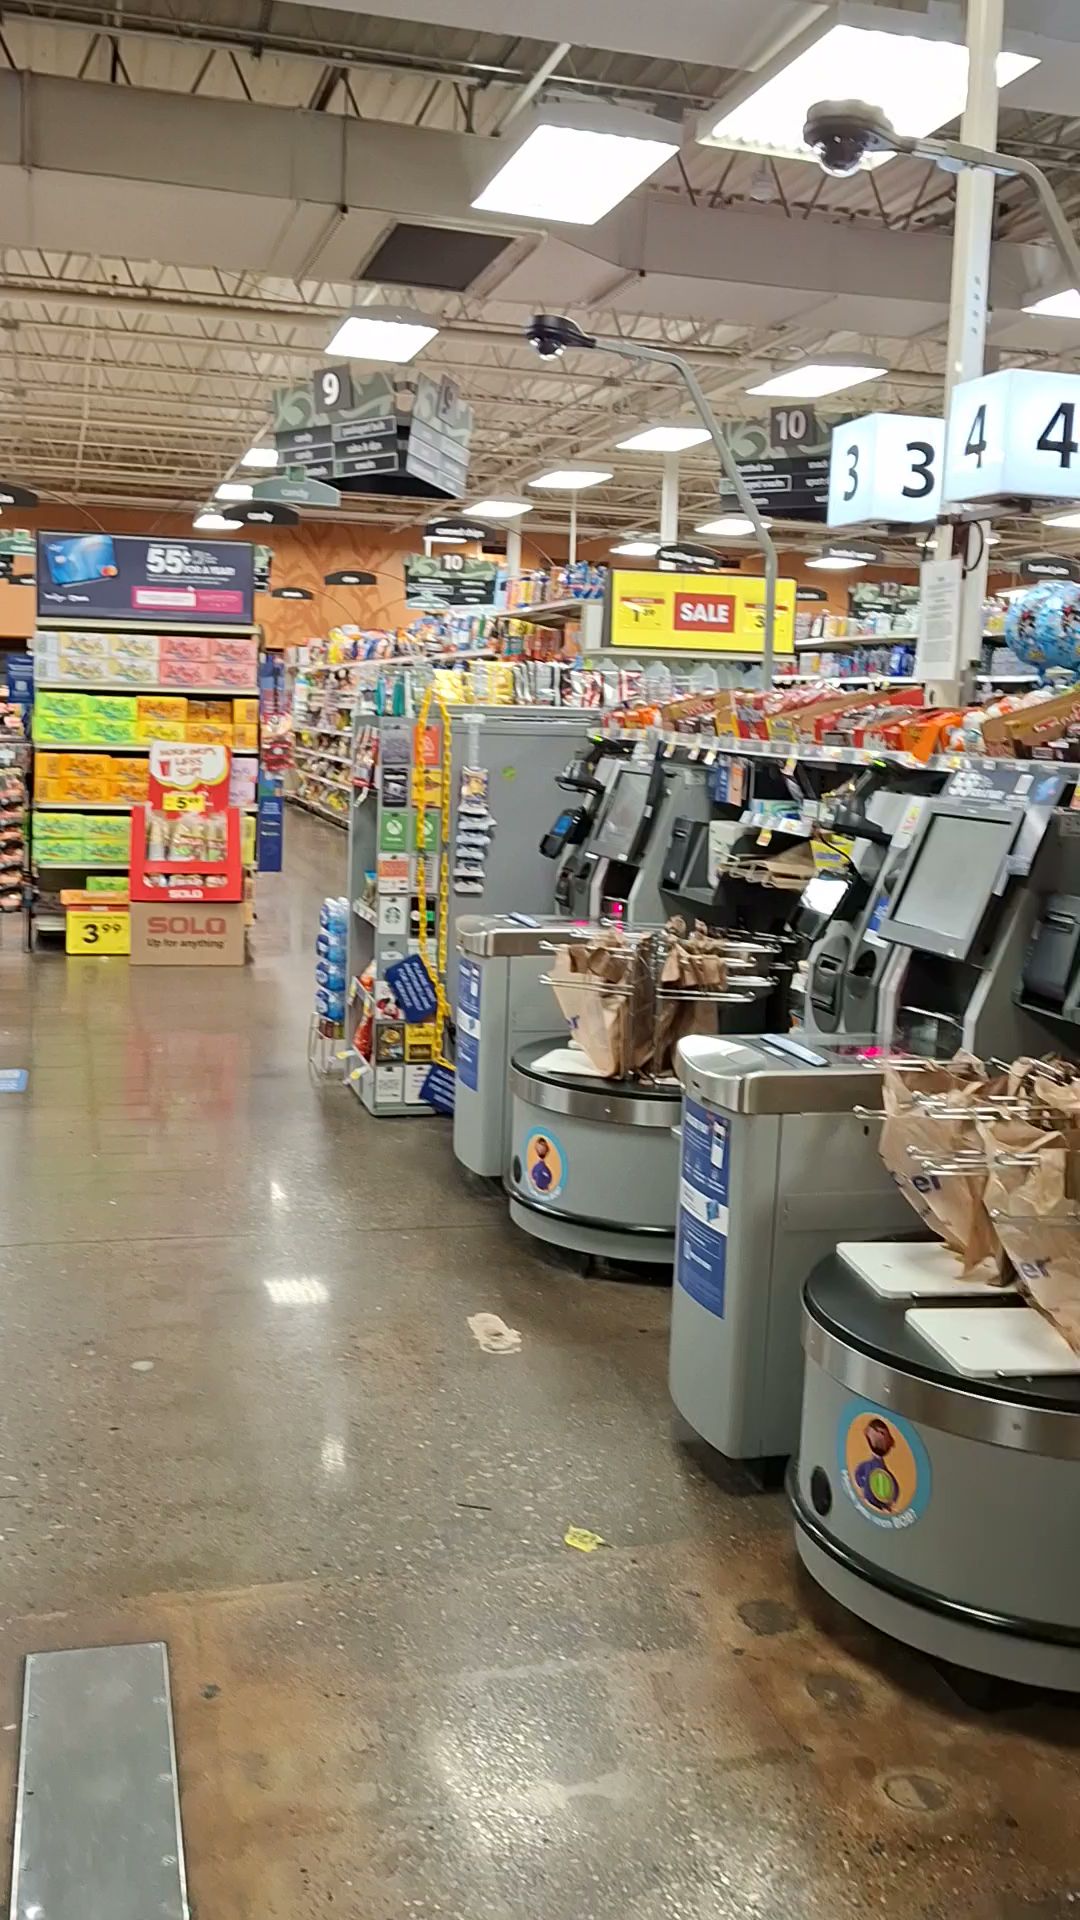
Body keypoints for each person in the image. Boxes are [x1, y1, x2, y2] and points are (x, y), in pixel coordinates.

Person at [853, 1416, 900, 1512]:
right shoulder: (867, 1465)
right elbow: (858, 1474)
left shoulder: (872, 1466)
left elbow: (894, 1485)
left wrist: (892, 1499)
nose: (881, 1438)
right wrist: (862, 1486)